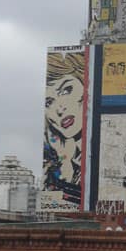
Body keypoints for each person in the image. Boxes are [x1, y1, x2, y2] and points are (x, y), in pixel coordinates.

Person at [43, 52, 85, 207]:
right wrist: (64, 163)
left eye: (66, 90)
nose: (59, 110)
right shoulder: (59, 161)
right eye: (49, 102)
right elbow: (58, 204)